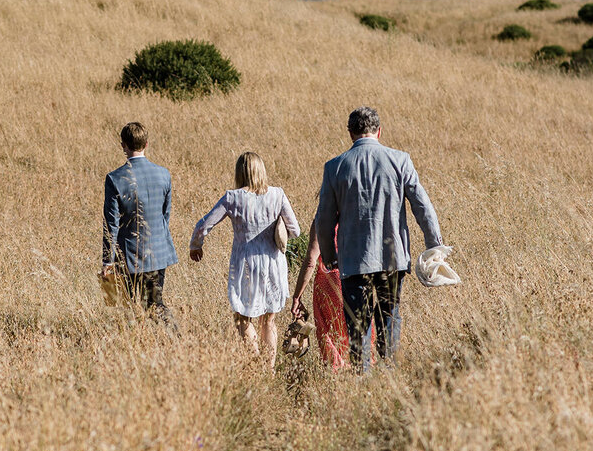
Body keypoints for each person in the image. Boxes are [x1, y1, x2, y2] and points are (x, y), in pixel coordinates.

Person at [313, 106, 443, 373]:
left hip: (353, 261)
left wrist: (329, 257)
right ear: (379, 131)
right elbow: (423, 207)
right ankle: (388, 373)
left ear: (350, 133)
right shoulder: (400, 160)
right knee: (389, 315)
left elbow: (323, 219)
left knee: (358, 323)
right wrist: (434, 245)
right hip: (392, 258)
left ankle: (362, 376)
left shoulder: (335, 167)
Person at [189, 151, 301, 368]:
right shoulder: (277, 194)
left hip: (245, 266)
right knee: (269, 320)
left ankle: (255, 364)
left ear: (240, 172)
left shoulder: (233, 197)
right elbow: (295, 230)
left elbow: (204, 225)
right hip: (273, 264)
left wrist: (196, 246)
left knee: (242, 318)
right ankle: (268, 368)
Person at [101, 121, 178, 322]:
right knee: (153, 304)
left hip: (127, 255)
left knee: (124, 308)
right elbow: (165, 215)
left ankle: (155, 335)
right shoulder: (164, 174)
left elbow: (111, 224)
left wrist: (108, 260)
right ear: (146, 144)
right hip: (158, 252)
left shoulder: (114, 178)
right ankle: (171, 336)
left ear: (123, 145)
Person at [288, 218, 355, 372]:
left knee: (330, 333)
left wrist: (297, 296)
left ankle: (336, 372)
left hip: (329, 282)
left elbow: (311, 260)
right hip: (356, 279)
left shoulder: (322, 219)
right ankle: (357, 372)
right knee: (354, 331)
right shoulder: (356, 215)